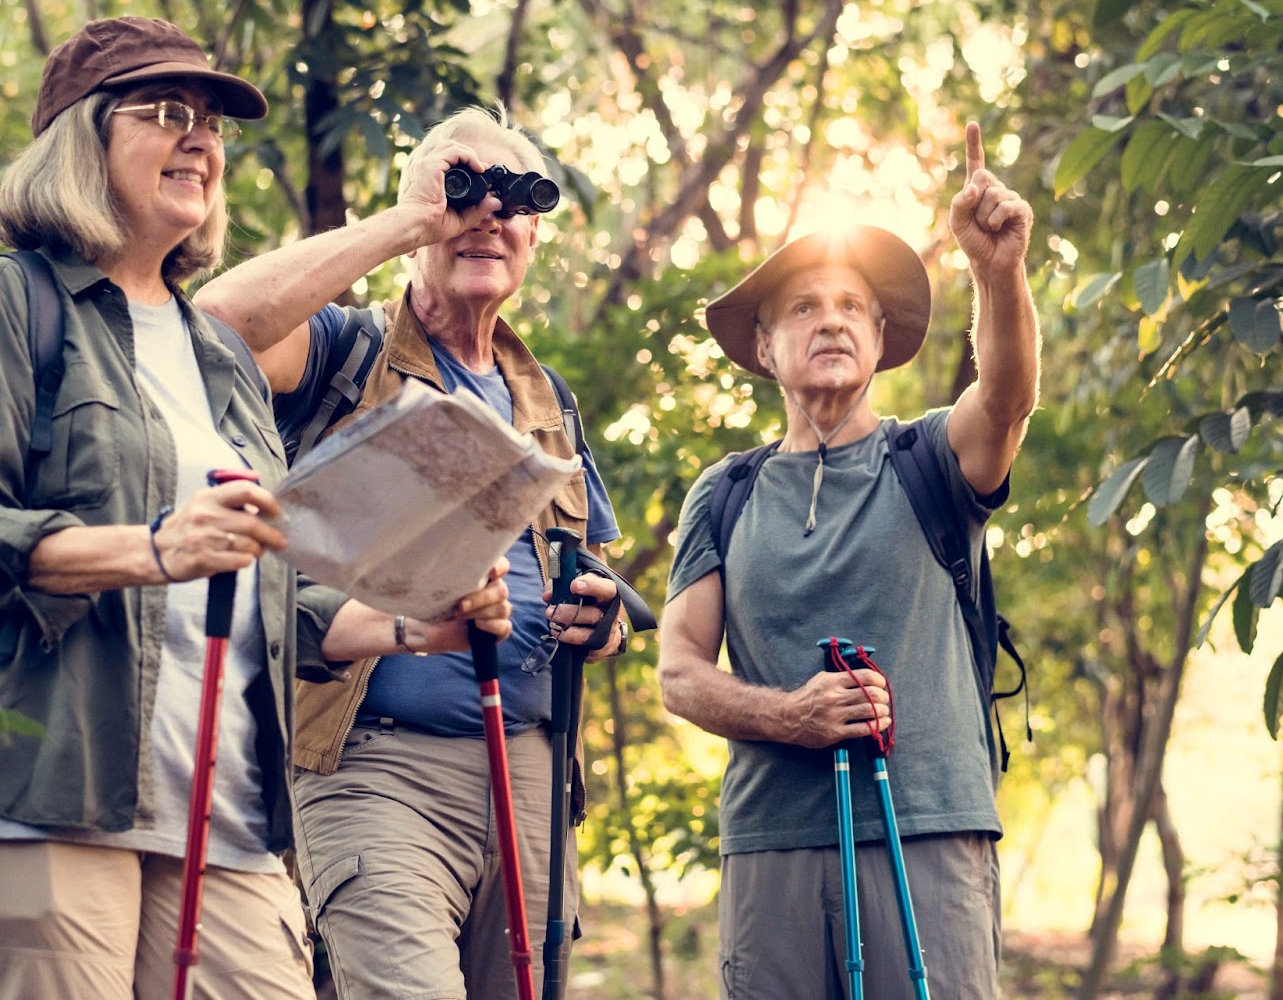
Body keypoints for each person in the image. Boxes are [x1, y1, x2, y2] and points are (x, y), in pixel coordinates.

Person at [0, 17, 508, 1000]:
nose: (200, 140)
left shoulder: (217, 360)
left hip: (217, 814)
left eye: (210, 123)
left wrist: (415, 624)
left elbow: (267, 589)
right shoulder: (7, 301)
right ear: (80, 140)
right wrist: (153, 546)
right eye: (166, 113)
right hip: (21, 788)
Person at [196, 105, 628, 999]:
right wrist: (409, 222)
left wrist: (605, 620)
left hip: (535, 776)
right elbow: (217, 323)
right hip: (376, 766)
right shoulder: (344, 349)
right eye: (464, 192)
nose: (489, 217)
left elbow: (589, 576)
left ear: (536, 233)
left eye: (514, 200)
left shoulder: (549, 400)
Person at [657, 123, 1039, 1000]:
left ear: (877, 336)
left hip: (928, 828)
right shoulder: (725, 493)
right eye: (803, 306)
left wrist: (997, 272)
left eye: (850, 306)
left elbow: (1010, 396)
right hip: (772, 846)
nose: (829, 317)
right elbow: (678, 674)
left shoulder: (932, 459)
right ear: (764, 347)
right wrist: (789, 715)